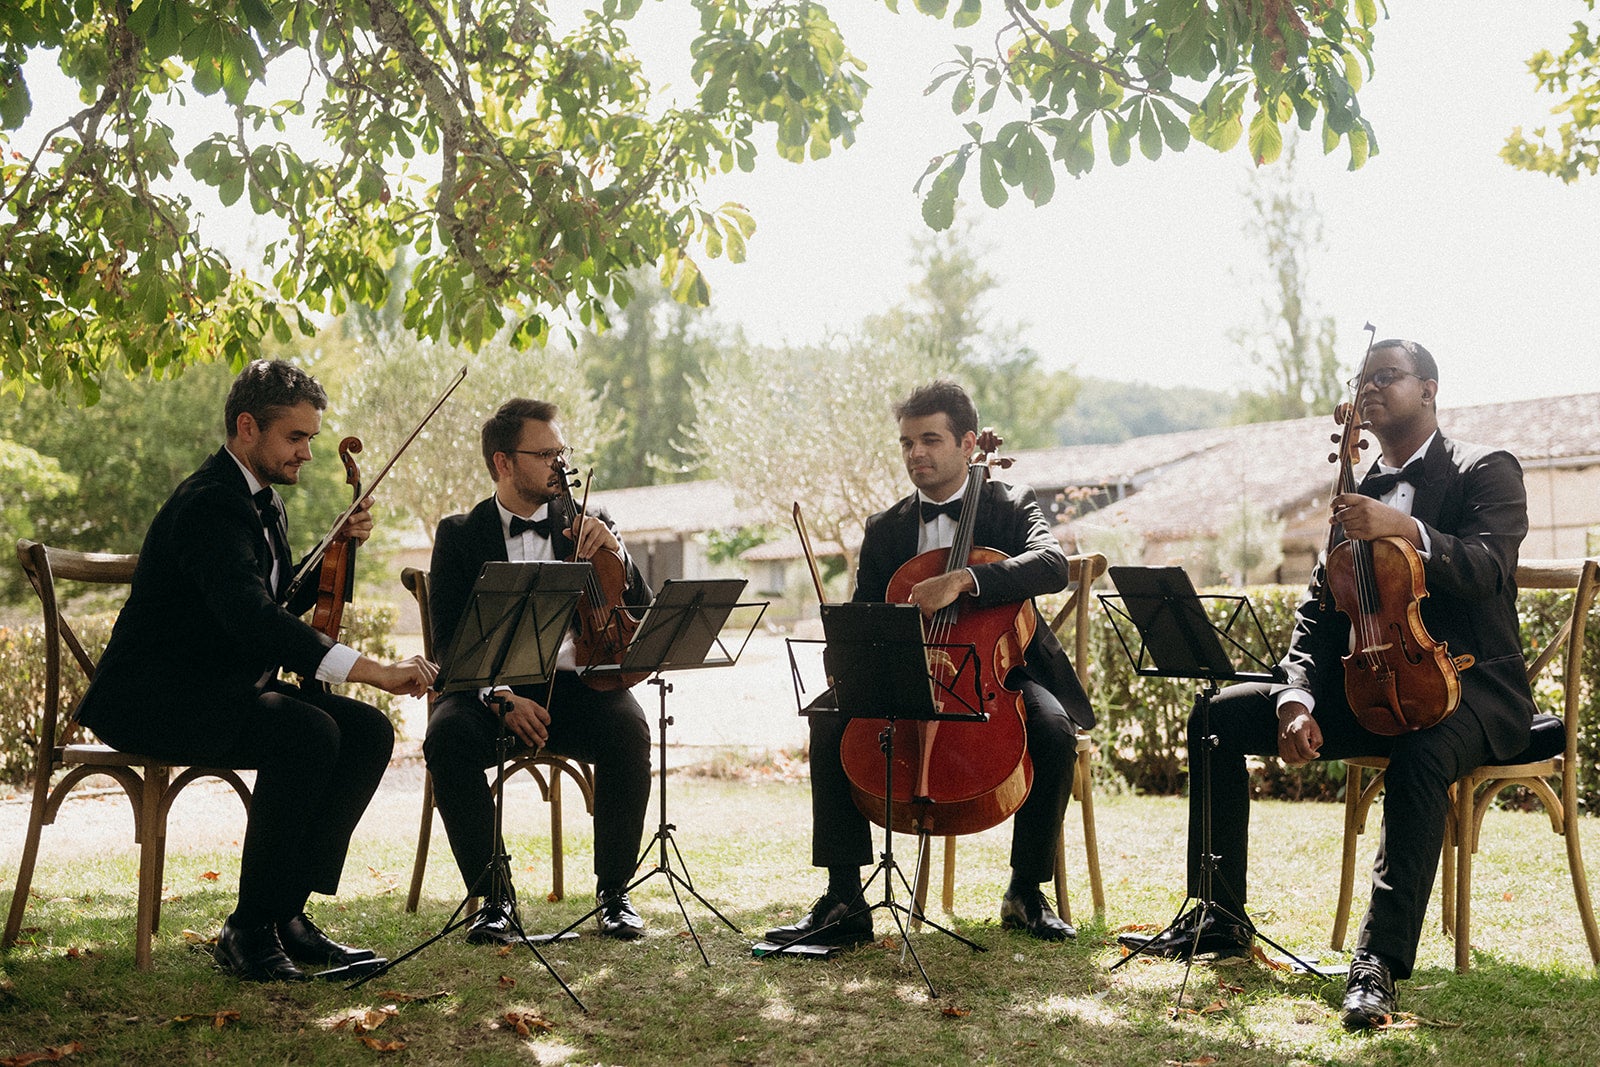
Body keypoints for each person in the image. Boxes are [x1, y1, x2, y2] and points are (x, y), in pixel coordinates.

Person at [1132, 340, 1535, 1030]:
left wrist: (1406, 528)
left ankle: (1377, 964)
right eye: (1363, 379)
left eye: (1388, 376)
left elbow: (1487, 568)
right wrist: (1296, 699)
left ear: (1430, 389)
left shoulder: (1483, 470)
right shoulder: (1354, 494)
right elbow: (1319, 614)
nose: (1372, 387)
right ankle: (1219, 915)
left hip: (1473, 691)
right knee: (1215, 716)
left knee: (1422, 746)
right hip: (1374, 686)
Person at [76, 359, 438, 982]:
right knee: (305, 732)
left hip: (219, 691)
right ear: (248, 427)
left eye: (310, 439)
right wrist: (374, 670)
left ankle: (285, 915)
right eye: (295, 438)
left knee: (368, 732)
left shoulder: (263, 502)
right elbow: (252, 620)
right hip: (154, 700)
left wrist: (338, 549)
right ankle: (247, 929)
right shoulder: (210, 505)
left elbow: (278, 601)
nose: (306, 453)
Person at [767, 379, 1094, 947]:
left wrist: (966, 579)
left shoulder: (1009, 504)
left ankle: (1025, 890)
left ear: (969, 444)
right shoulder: (886, 528)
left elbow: (1051, 565)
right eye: (907, 443)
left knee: (1052, 729)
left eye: (930, 440)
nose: (916, 453)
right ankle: (845, 898)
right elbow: (869, 609)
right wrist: (848, 660)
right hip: (907, 671)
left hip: (1001, 674)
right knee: (828, 717)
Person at [425, 398, 653, 942]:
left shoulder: (588, 524)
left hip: (575, 689)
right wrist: (499, 697)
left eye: (561, 452)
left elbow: (637, 610)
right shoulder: (458, 535)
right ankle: (494, 899)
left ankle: (615, 893)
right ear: (503, 463)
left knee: (629, 727)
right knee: (445, 737)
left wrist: (616, 550)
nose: (558, 464)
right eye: (545, 453)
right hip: (491, 691)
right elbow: (452, 643)